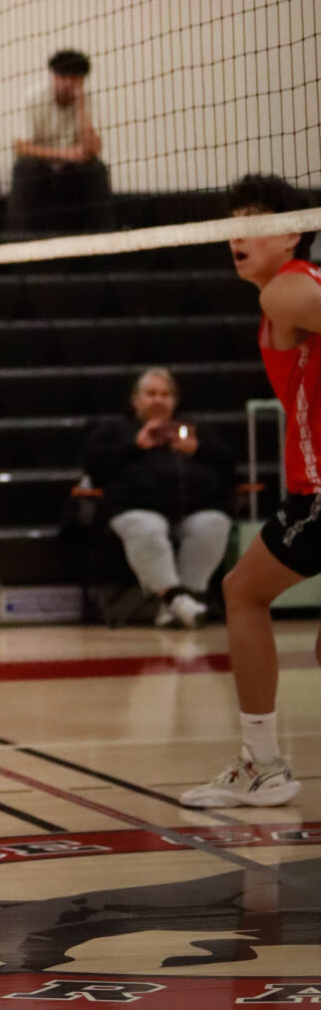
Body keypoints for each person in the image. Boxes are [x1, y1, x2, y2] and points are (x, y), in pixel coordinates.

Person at [181, 173, 321, 810]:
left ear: (293, 230)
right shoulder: (286, 294)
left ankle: (263, 765)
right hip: (307, 492)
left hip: (319, 495)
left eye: (254, 220)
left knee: (243, 591)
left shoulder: (288, 290)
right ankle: (262, 764)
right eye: (231, 221)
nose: (236, 234)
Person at [83, 367, 234, 628]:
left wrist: (198, 449)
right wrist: (134, 446)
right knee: (147, 527)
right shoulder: (116, 429)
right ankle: (179, 602)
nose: (158, 399)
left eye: (165, 394)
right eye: (151, 393)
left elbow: (229, 465)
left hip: (195, 507)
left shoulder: (195, 429)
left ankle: (179, 605)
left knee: (213, 524)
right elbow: (93, 466)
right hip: (134, 507)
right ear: (136, 400)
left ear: (174, 400)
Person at [8, 49, 112, 236]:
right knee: (25, 167)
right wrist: (64, 153)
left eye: (74, 78)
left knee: (97, 169)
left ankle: (101, 243)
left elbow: (93, 148)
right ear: (53, 76)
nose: (67, 83)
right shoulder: (33, 98)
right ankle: (17, 243)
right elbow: (20, 147)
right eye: (63, 76)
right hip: (39, 167)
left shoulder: (88, 102)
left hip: (70, 170)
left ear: (82, 80)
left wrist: (80, 106)